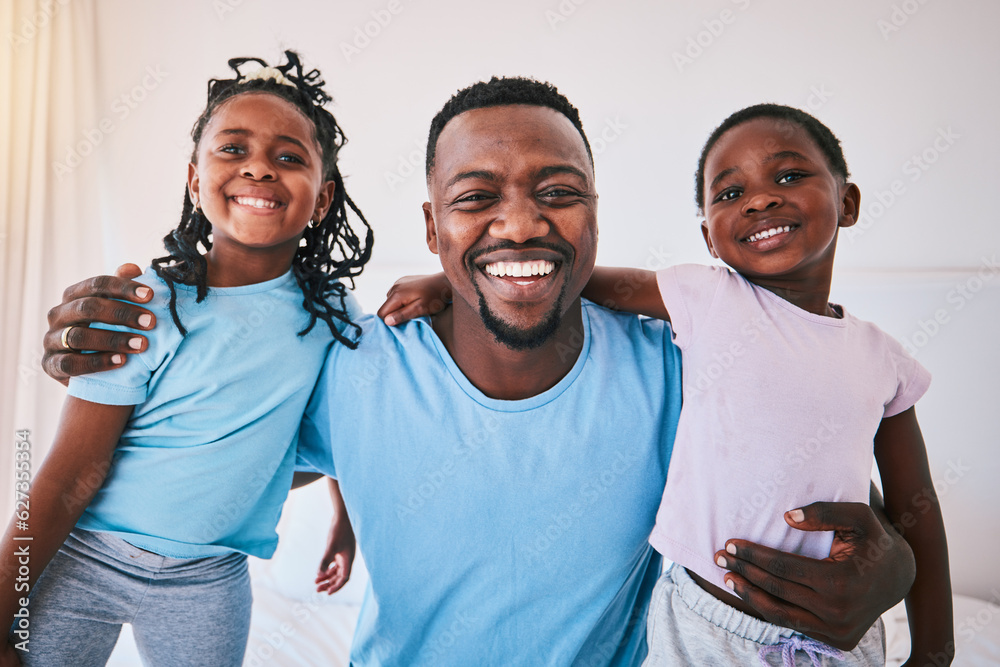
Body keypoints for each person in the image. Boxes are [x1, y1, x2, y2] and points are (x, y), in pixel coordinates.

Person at [40, 77, 918, 666]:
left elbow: (812, 485)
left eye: (558, 191)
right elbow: (212, 439)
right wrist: (106, 341)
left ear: (596, 214)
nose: (521, 222)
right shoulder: (354, 360)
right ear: (432, 227)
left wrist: (896, 567)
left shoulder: (681, 373)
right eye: (475, 198)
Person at [378, 104, 955, 665]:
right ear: (709, 237)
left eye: (790, 175)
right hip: (707, 619)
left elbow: (912, 506)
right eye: (729, 194)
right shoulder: (705, 301)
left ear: (847, 201)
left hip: (836, 630)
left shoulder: (884, 359)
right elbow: (567, 275)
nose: (760, 198)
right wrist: (453, 282)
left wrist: (933, 646)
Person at [2, 51, 370, 666]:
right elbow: (69, 473)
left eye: (288, 157)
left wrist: (345, 516)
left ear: (323, 198)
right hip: (89, 555)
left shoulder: (332, 314)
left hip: (209, 578)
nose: (259, 167)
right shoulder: (141, 305)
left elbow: (346, 424)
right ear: (196, 182)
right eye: (233, 149)